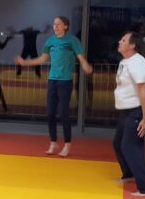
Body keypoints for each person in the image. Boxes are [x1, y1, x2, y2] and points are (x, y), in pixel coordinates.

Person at [15, 16, 92, 157]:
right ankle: (53, 142)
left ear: (66, 26)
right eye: (54, 24)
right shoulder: (50, 41)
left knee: (63, 113)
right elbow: (42, 59)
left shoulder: (72, 40)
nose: (55, 26)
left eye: (58, 24)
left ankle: (67, 144)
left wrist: (85, 64)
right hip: (52, 80)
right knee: (50, 113)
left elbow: (80, 57)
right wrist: (25, 63)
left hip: (65, 81)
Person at [114, 31, 145, 196]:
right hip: (126, 110)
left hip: (137, 110)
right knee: (118, 143)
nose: (120, 41)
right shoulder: (125, 61)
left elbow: (142, 91)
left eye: (123, 40)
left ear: (132, 45)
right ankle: (129, 174)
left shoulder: (138, 63)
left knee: (130, 146)